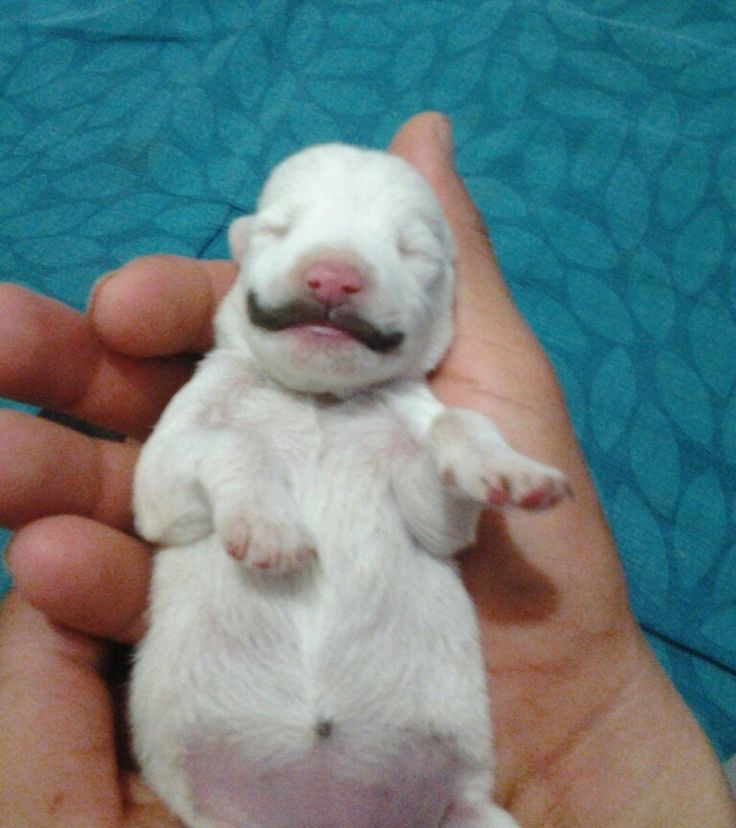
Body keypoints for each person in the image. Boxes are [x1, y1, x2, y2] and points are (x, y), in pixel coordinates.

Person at [0, 112, 734, 827]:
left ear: (448, 288)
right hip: (218, 783)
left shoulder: (416, 408)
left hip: (437, 787)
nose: (334, 277)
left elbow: (438, 531)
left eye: (410, 253)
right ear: (247, 250)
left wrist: (461, 455)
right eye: (287, 234)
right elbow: (161, 509)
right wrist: (233, 468)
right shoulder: (223, 390)